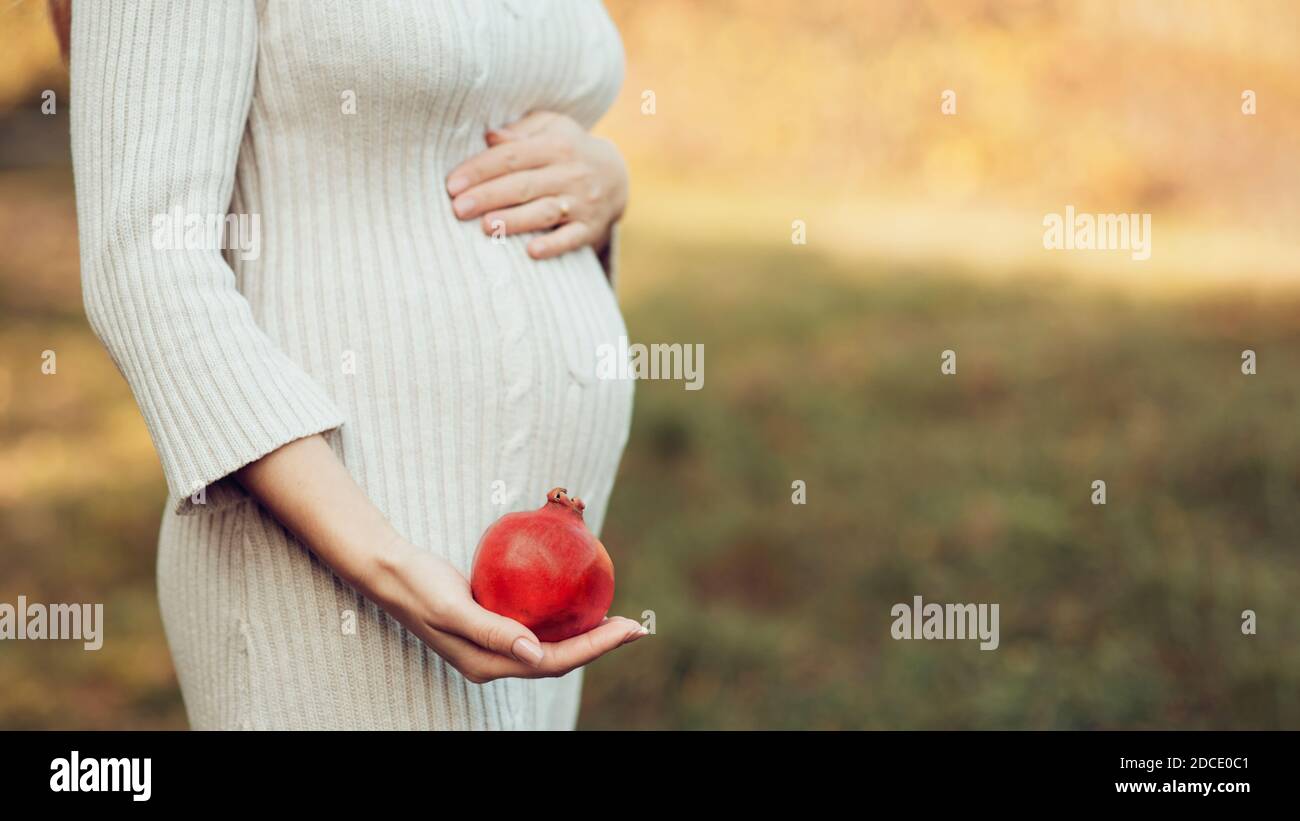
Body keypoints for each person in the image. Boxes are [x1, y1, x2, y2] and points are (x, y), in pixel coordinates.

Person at [63, 0, 642, 730]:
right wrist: (387, 563)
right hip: (339, 547)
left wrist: (603, 182)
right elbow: (145, 262)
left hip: (545, 565)